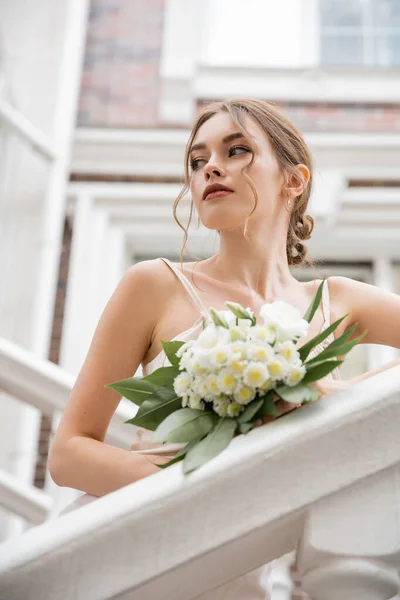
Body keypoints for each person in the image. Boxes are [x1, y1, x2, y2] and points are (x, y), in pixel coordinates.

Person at [48, 99, 400, 598]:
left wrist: (337, 392)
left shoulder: (337, 302)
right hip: (133, 550)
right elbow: (68, 453)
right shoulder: (154, 284)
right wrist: (198, 486)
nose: (211, 166)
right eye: (197, 160)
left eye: (237, 150)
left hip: (250, 568)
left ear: (293, 181)